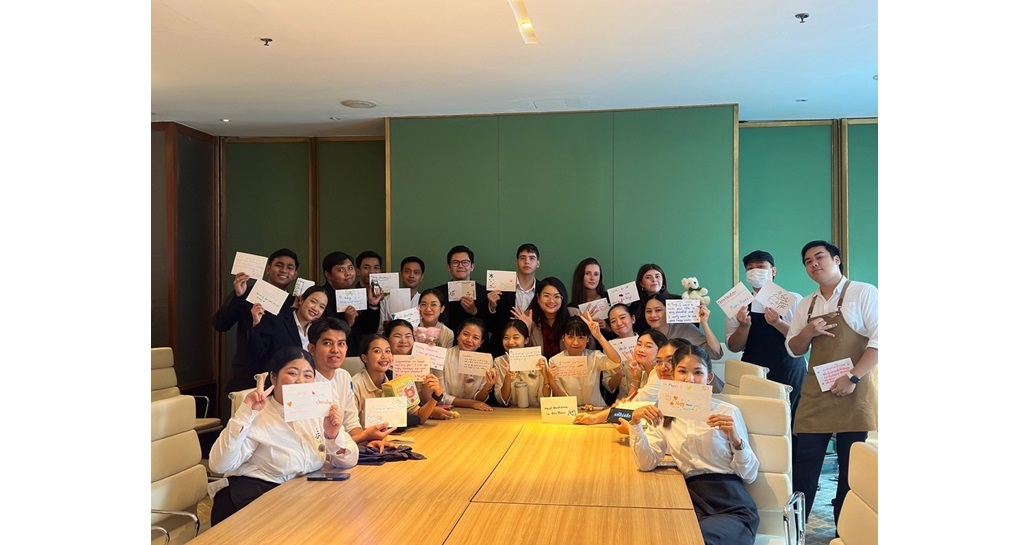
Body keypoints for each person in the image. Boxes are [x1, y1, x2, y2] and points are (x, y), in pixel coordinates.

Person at [623, 344, 760, 545]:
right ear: (673, 376)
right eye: (682, 372)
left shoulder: (727, 412)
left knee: (695, 540)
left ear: (709, 377)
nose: (690, 379)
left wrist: (735, 439)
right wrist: (635, 424)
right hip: (690, 501)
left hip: (731, 505)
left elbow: (750, 474)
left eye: (698, 372)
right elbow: (646, 463)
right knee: (653, 534)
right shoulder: (664, 414)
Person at [208, 346, 359, 525]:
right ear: (274, 377)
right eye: (293, 373)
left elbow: (350, 459)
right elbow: (219, 465)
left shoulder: (319, 410)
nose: (300, 381)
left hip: (300, 498)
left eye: (308, 375)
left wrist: (332, 435)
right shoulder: (258, 415)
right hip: (254, 501)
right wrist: (245, 413)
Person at [785, 240, 878, 528]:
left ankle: (845, 530)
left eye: (820, 257)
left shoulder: (863, 292)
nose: (814, 264)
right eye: (808, 261)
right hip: (817, 392)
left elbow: (880, 339)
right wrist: (809, 331)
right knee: (804, 463)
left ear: (836, 259)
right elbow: (794, 349)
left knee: (852, 468)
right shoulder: (806, 304)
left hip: (855, 389)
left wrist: (852, 377)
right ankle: (796, 531)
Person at [725, 250, 807, 420]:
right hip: (753, 371)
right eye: (750, 268)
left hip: (790, 369)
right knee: (757, 419)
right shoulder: (738, 303)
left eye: (761, 267)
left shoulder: (792, 299)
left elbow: (803, 340)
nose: (755, 271)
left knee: (791, 420)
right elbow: (733, 347)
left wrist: (777, 322)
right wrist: (743, 326)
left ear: (773, 271)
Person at [214, 248, 300, 394]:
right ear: (268, 269)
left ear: (295, 275)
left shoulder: (296, 303)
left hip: (281, 376)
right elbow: (220, 324)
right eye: (279, 265)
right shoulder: (246, 292)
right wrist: (238, 296)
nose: (284, 270)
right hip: (247, 374)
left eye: (290, 267)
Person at [306, 317, 395, 444]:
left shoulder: (344, 376)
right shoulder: (304, 383)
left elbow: (351, 423)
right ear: (312, 349)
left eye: (341, 344)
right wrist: (363, 437)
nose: (335, 350)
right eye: (328, 343)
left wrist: (368, 441)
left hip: (347, 449)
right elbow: (316, 442)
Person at [351, 333, 447, 427]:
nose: (384, 356)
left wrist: (436, 397)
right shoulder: (354, 386)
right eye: (377, 351)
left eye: (388, 351)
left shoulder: (398, 382)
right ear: (364, 358)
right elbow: (350, 426)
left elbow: (419, 416)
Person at [384, 319, 455, 420]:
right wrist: (431, 412)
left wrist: (427, 365)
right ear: (387, 339)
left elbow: (426, 399)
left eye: (408, 336)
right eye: (397, 336)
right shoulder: (383, 365)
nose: (403, 341)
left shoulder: (419, 362)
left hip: (420, 417)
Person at [550, 314, 624, 408]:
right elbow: (559, 394)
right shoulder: (555, 361)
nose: (576, 342)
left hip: (597, 409)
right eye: (571, 337)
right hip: (570, 410)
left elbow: (616, 362)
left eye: (581, 337)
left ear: (588, 339)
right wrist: (551, 381)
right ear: (563, 338)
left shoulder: (595, 356)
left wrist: (599, 336)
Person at [249, 285, 327, 374]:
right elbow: (258, 354)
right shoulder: (277, 321)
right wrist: (256, 325)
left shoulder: (319, 331)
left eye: (321, 307)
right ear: (301, 300)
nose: (315, 308)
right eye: (313, 302)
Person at [320, 251, 382, 355]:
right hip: (333, 354)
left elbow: (369, 331)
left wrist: (373, 304)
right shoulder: (321, 296)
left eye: (350, 268)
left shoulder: (356, 295)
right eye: (341, 270)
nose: (348, 273)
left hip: (357, 354)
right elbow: (321, 330)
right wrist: (347, 322)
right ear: (328, 274)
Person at [492, 320, 565, 407]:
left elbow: (545, 399)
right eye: (506, 338)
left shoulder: (540, 360)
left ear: (526, 340)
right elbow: (502, 400)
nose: (510, 342)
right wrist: (507, 378)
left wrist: (545, 377)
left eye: (516, 337)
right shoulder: (499, 361)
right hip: (511, 411)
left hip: (535, 410)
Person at [487, 243, 540, 357]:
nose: (527, 262)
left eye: (532, 258)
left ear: (538, 263)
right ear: (516, 262)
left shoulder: (543, 290)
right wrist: (492, 307)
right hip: (500, 349)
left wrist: (531, 325)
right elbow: (490, 325)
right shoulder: (500, 287)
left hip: (531, 349)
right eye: (522, 258)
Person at [435, 318, 496, 411]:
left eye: (475, 338)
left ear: (481, 342)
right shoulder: (443, 356)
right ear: (458, 335)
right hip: (446, 410)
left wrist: (487, 387)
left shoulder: (485, 361)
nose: (469, 340)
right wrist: (471, 403)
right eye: (465, 334)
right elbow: (440, 396)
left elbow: (480, 400)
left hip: (474, 413)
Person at [641, 292, 724, 359]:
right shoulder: (646, 336)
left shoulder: (686, 328)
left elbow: (716, 354)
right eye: (648, 311)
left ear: (668, 310)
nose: (653, 315)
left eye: (658, 310)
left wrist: (704, 323)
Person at [513, 277, 571, 359]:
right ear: (538, 298)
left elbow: (586, 347)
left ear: (562, 299)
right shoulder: (527, 317)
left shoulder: (574, 315)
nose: (551, 301)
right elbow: (521, 354)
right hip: (536, 366)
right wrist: (527, 329)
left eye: (557, 296)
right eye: (546, 296)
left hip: (568, 366)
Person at [379, 255, 426, 332]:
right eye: (407, 271)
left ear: (421, 277)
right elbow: (380, 331)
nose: (411, 275)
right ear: (401, 274)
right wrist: (389, 328)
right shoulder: (385, 301)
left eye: (416, 272)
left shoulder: (425, 302)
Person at [631, 263, 669, 333]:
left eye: (657, 276)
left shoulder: (677, 301)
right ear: (641, 283)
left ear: (663, 280)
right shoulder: (635, 306)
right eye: (648, 277)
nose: (654, 280)